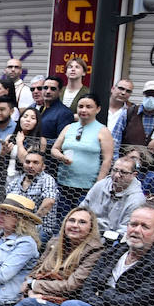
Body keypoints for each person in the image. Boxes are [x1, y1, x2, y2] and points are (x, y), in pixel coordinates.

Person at [0, 206, 105, 306]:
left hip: (67, 305)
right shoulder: (54, 242)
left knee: (27, 305)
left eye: (82, 222)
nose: (75, 225)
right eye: (71, 220)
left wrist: (34, 286)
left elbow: (71, 286)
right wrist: (30, 290)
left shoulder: (94, 251)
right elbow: (35, 270)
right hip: (39, 297)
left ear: (91, 228)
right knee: (21, 304)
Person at [51, 95, 114, 225]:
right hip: (64, 184)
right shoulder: (69, 128)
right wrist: (61, 157)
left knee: (81, 221)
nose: (84, 110)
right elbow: (54, 149)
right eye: (81, 106)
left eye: (88, 107)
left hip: (87, 187)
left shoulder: (103, 131)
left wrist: (98, 185)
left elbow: (107, 160)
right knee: (62, 221)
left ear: (98, 109)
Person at [81, 154, 146, 240]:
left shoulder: (136, 200)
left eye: (123, 172)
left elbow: (125, 231)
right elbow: (82, 209)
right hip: (86, 233)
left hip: (111, 242)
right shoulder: (100, 185)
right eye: (115, 170)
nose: (116, 175)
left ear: (134, 175)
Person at [7, 149, 60, 239]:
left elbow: (49, 202)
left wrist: (31, 221)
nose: (30, 166)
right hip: (16, 227)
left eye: (35, 163)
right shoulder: (15, 182)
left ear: (43, 166)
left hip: (39, 229)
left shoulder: (47, 180)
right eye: (27, 162)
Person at [112, 80, 154, 151]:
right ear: (143, 94)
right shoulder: (128, 113)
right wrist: (115, 160)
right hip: (128, 160)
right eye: (148, 94)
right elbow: (115, 141)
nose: (150, 98)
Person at [36, 76, 75, 141]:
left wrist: (42, 144)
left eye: (53, 89)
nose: (48, 91)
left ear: (60, 92)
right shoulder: (37, 108)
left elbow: (61, 141)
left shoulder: (65, 113)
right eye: (45, 88)